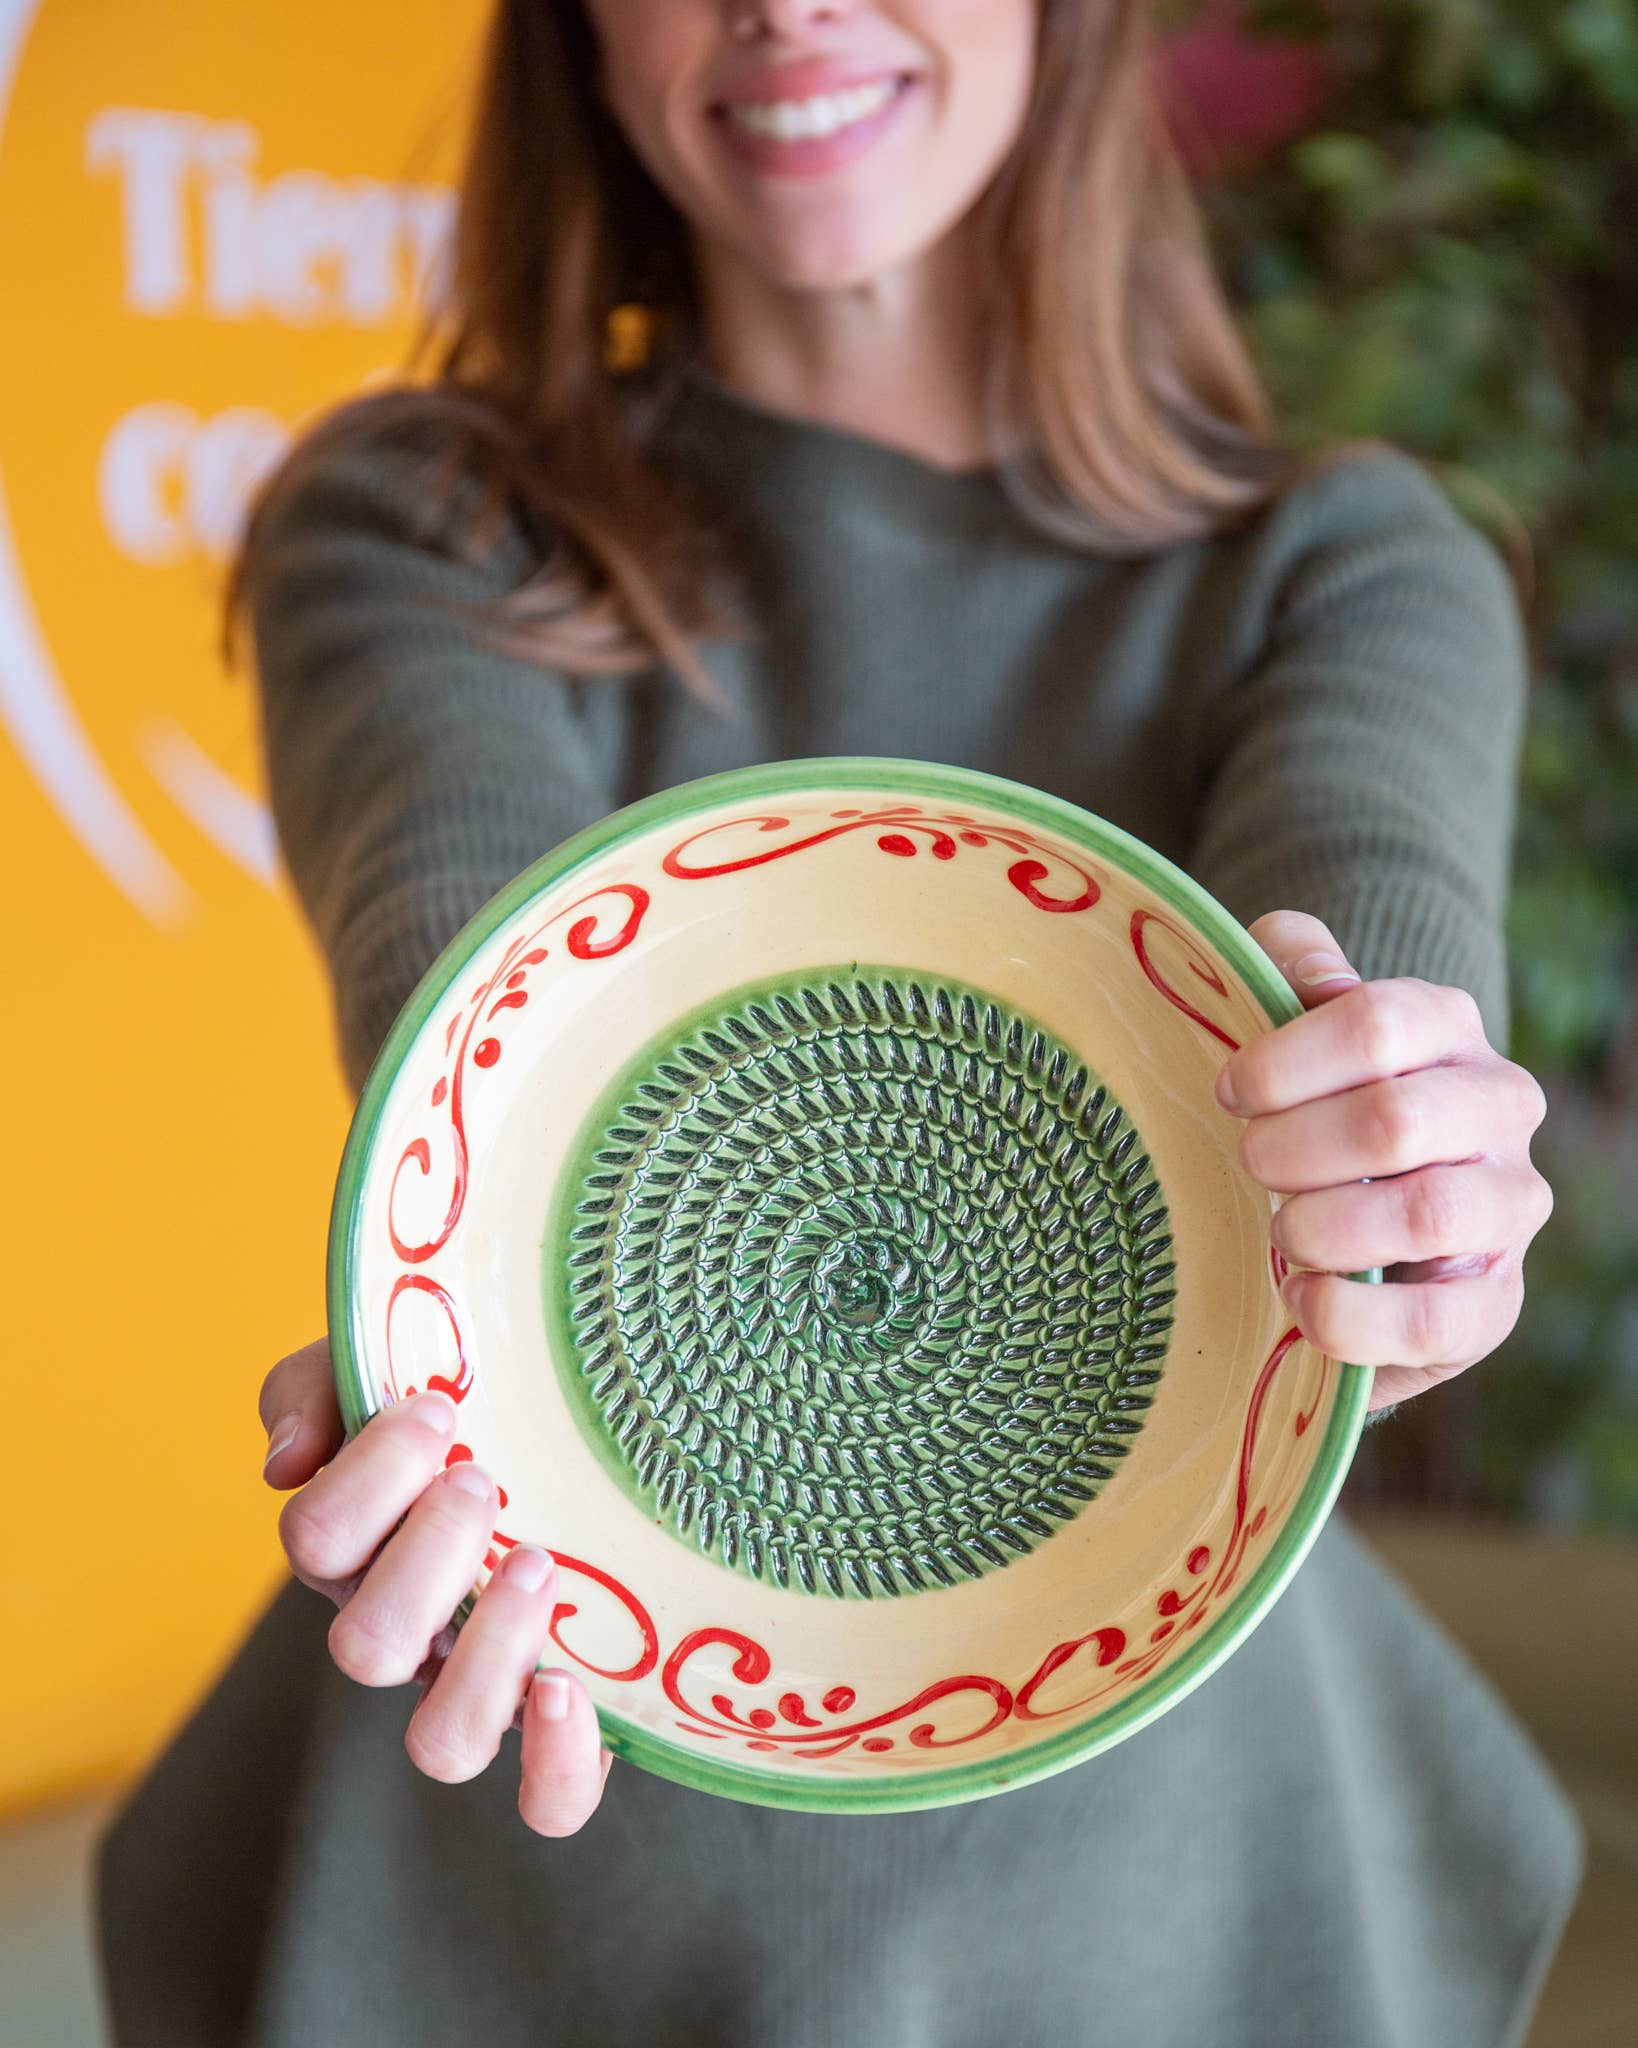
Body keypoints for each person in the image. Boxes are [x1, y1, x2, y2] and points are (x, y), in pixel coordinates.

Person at [94, 2, 1584, 2043]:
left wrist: (1404, 1170)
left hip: (1186, 1896)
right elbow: (478, 1015)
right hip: (518, 1880)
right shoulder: (418, 527)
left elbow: (1368, 970)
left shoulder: (1348, 564)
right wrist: (467, 1327)